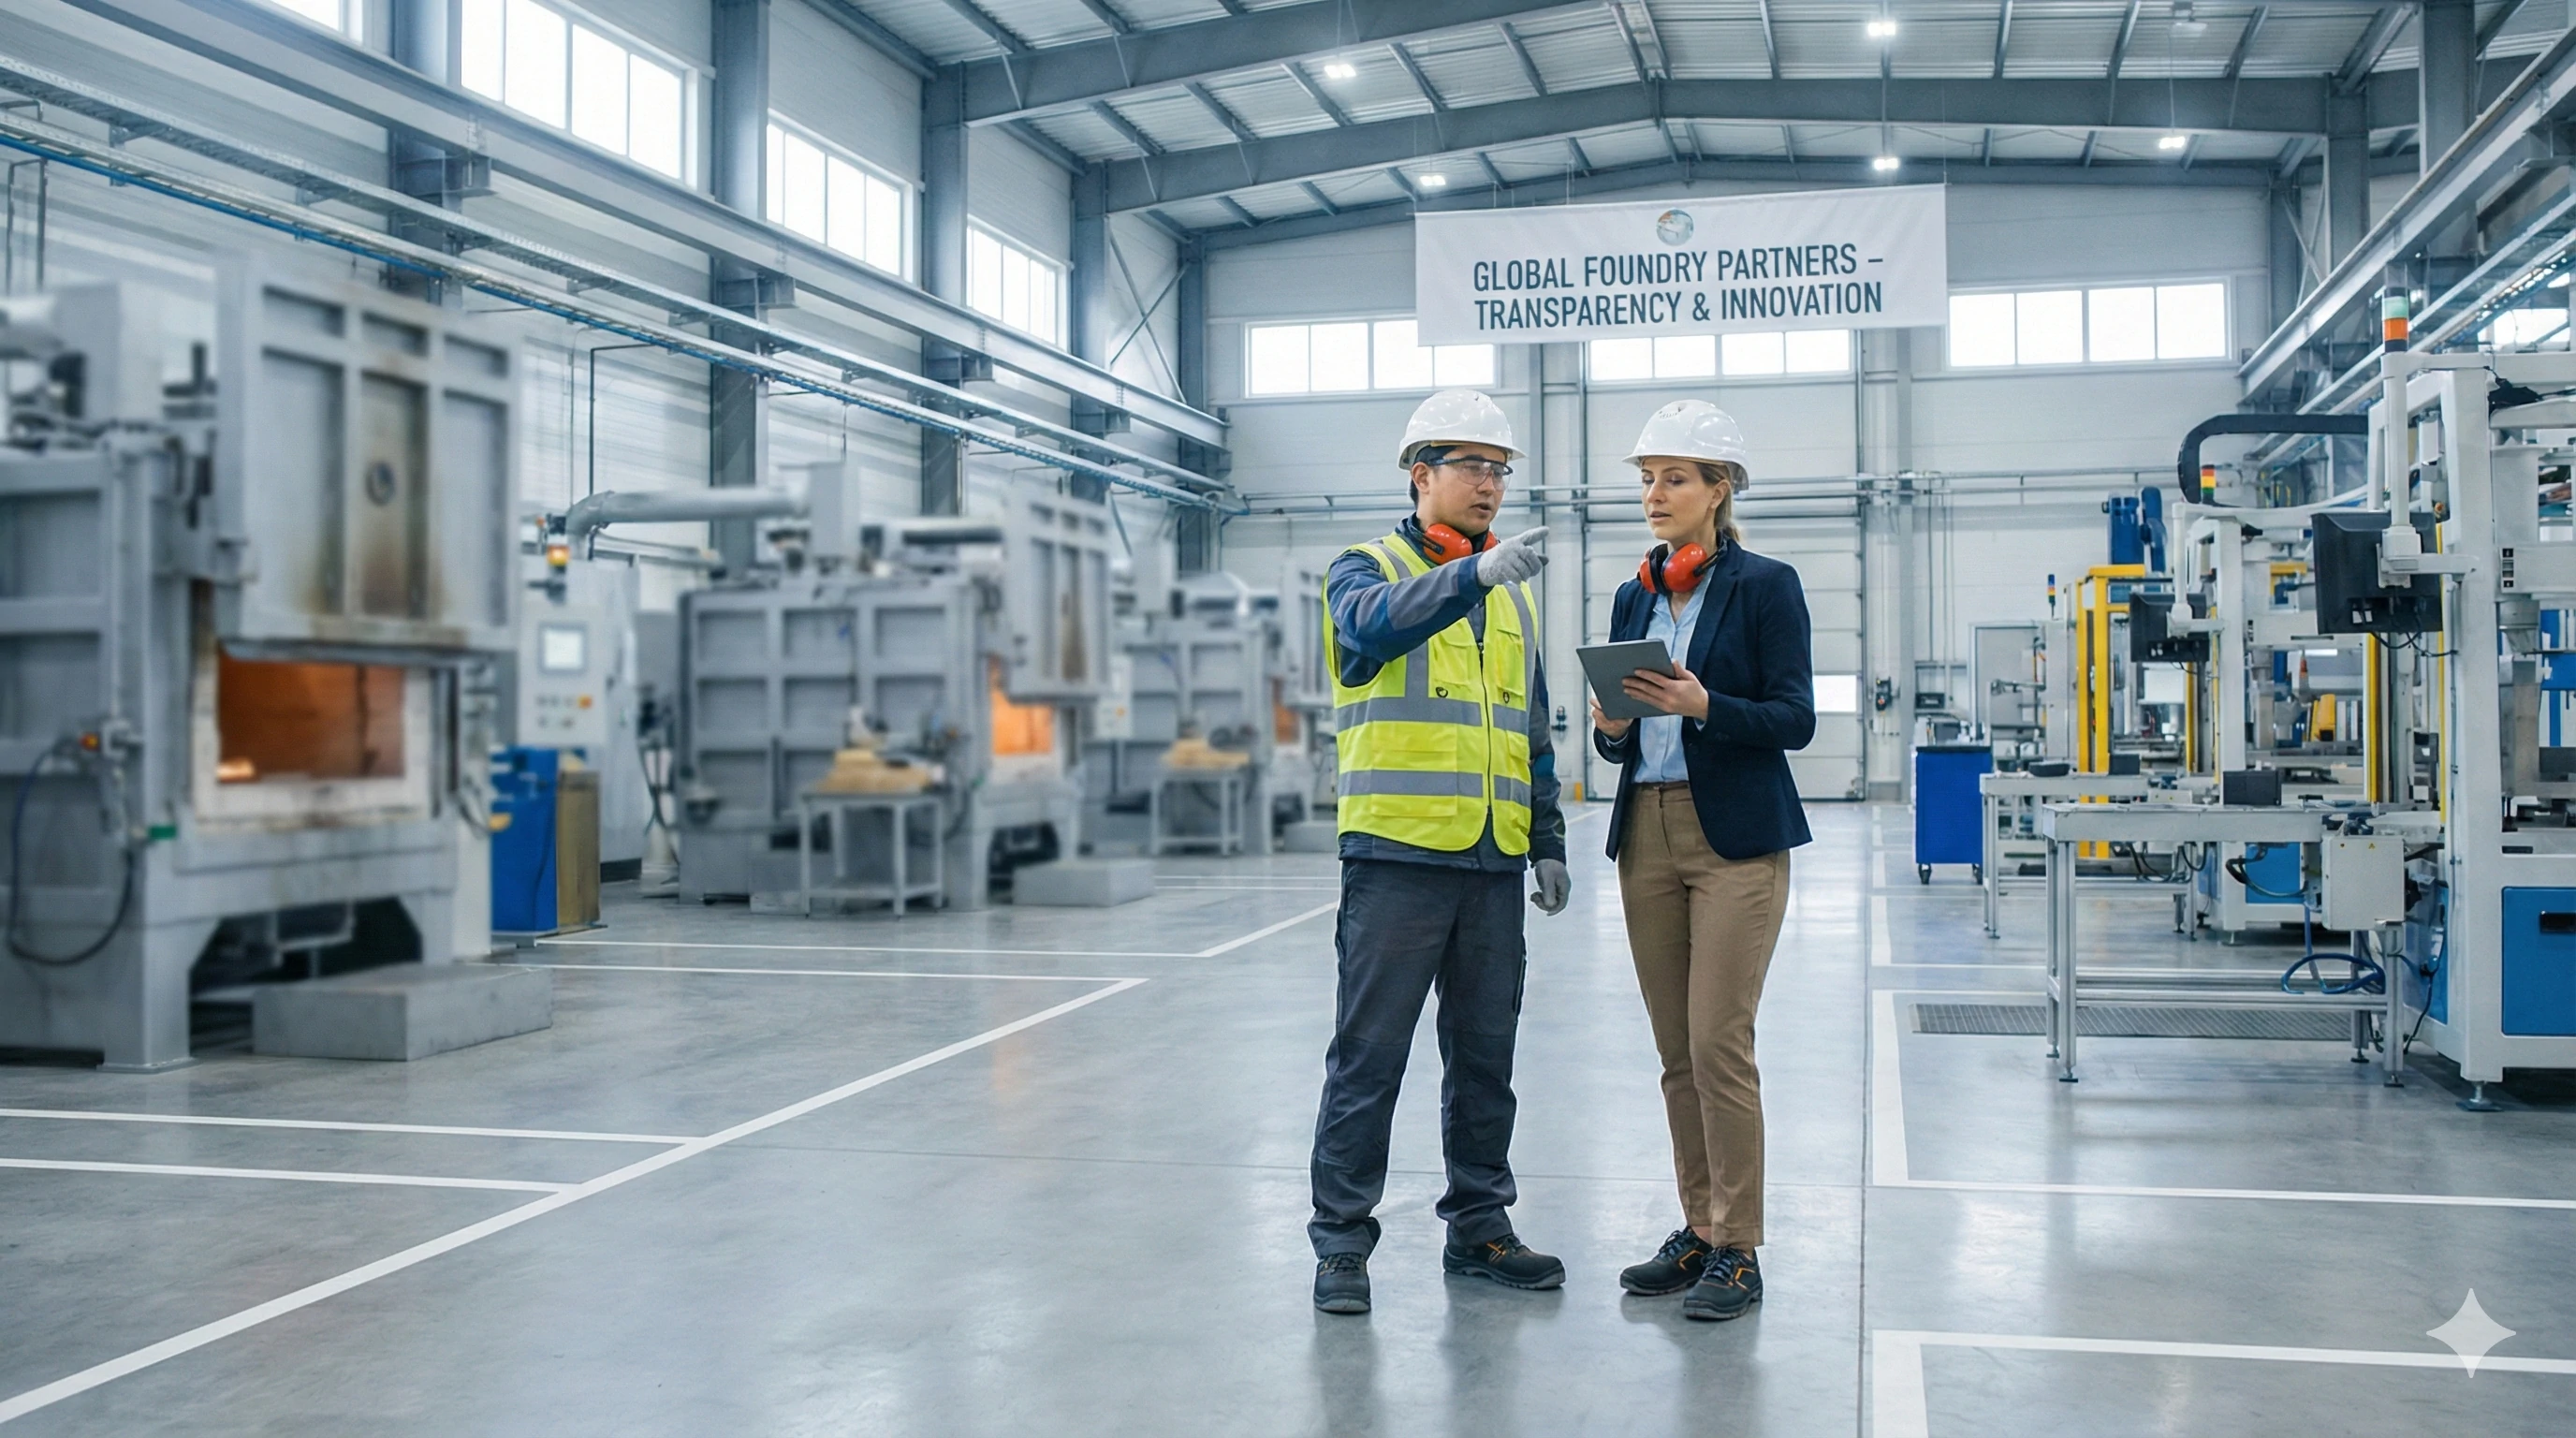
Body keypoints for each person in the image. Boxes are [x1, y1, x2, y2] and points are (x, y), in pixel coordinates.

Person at [1308, 388, 1573, 1316]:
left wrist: (1545, 839)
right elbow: (1368, 629)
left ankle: (1480, 1227)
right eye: (1471, 467)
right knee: (1369, 1057)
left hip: (1492, 863)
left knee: (1485, 1057)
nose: (1490, 486)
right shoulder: (1362, 568)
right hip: (1395, 860)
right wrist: (1476, 576)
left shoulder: (1509, 604)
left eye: (1499, 470)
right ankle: (1342, 1244)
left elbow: (1528, 731)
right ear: (1420, 475)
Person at [1588, 399, 1814, 1323]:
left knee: (1720, 1045)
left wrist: (1702, 703)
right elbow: (1621, 743)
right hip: (1646, 830)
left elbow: (1793, 719)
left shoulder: (1766, 585)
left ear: (1720, 490)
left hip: (1734, 843)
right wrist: (1611, 728)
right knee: (1675, 1053)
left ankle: (1740, 1246)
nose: (1654, 494)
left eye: (1674, 477)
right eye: (1646, 479)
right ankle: (1697, 1227)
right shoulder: (1632, 595)